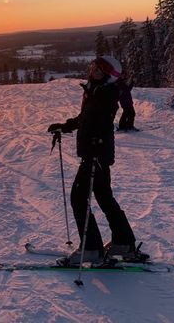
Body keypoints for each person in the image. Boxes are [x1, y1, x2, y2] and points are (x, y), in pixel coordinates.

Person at [47, 55, 137, 264]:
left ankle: (91, 249)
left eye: (99, 69)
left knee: (78, 197)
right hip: (97, 153)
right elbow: (85, 118)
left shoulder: (106, 92)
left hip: (96, 153)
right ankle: (123, 243)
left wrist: (97, 142)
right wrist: (66, 126)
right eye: (93, 67)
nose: (93, 71)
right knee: (104, 197)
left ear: (108, 74)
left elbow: (103, 119)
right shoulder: (96, 90)